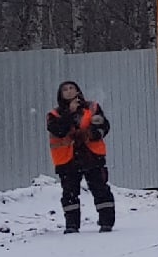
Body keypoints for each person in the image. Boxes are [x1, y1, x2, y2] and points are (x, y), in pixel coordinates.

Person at [47, 81, 114, 233]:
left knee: (100, 189)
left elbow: (104, 126)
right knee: (70, 193)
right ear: (61, 94)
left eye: (72, 88)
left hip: (91, 156)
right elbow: (58, 130)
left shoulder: (92, 108)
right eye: (65, 89)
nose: (69, 91)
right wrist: (70, 113)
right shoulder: (54, 115)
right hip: (67, 159)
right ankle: (71, 225)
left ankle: (106, 222)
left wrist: (93, 133)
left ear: (78, 91)